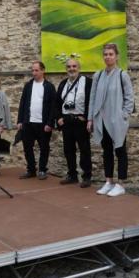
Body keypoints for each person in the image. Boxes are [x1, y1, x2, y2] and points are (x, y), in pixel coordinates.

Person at [88, 44, 134, 197]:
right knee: (106, 151)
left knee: (120, 150)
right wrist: (90, 118)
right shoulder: (98, 75)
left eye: (111, 54)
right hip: (101, 120)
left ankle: (120, 184)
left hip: (117, 120)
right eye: (105, 54)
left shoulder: (122, 75)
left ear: (116, 56)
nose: (108, 57)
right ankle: (108, 181)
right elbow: (93, 99)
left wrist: (124, 115)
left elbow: (129, 98)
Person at [55, 58, 93, 188]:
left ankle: (87, 176)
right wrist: (58, 117)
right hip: (66, 122)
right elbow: (57, 103)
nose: (72, 69)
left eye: (74, 66)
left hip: (80, 121)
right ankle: (72, 175)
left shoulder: (87, 82)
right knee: (68, 150)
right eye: (69, 67)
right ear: (66, 69)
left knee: (84, 150)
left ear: (79, 68)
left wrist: (88, 118)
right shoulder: (62, 84)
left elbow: (91, 102)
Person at [17, 61, 56, 180]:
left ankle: (42, 170)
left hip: (43, 124)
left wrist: (50, 123)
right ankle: (31, 169)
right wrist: (20, 121)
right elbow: (22, 103)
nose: (34, 73)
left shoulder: (49, 86)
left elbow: (53, 107)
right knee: (27, 147)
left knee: (44, 147)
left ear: (43, 70)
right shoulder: (28, 86)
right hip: (28, 122)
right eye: (32, 70)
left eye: (36, 70)